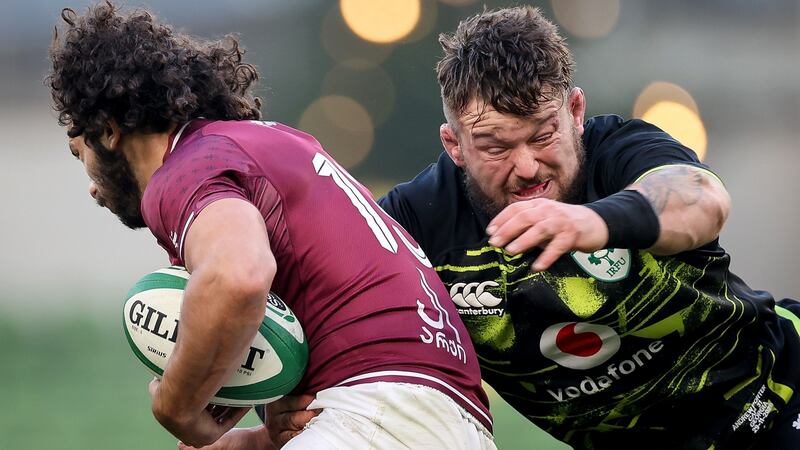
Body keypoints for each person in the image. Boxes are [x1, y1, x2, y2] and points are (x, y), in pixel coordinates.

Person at [267, 5, 800, 450]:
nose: (526, 167)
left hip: (779, 396)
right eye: (496, 146)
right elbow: (330, 321)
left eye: (543, 135)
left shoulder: (619, 151)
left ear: (574, 110)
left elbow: (701, 199)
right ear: (454, 145)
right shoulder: (417, 222)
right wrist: (283, 409)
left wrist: (593, 219)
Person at [47, 3, 496, 450]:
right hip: (442, 416)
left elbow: (237, 277)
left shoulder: (183, 172)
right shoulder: (261, 142)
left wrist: (175, 406)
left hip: (379, 409)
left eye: (79, 155)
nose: (90, 186)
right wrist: (259, 438)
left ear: (108, 131)